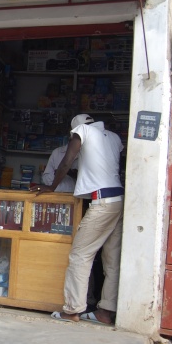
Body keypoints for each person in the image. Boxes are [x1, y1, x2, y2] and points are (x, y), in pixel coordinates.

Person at [32, 114, 124, 325]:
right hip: (118, 199)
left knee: (80, 255)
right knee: (112, 260)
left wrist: (51, 186)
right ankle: (106, 311)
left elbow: (66, 163)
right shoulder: (114, 138)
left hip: (101, 202)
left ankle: (72, 310)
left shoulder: (81, 132)